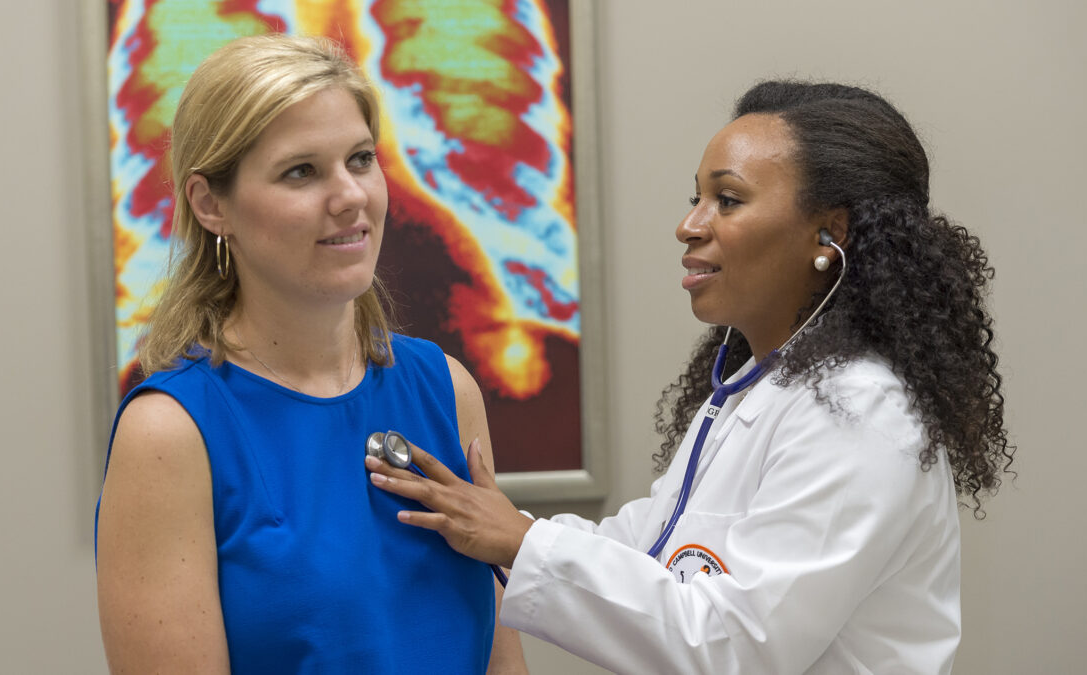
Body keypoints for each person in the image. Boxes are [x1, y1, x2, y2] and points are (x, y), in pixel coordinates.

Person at [365, 80, 1015, 674]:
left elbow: (738, 645)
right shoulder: (751, 392)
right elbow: (651, 547)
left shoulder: (861, 411)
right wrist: (502, 530)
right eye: (696, 198)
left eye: (726, 200)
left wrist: (522, 542)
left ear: (829, 233)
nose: (689, 225)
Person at [94, 34, 525, 673]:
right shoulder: (170, 434)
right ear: (212, 205)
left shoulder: (445, 388)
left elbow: (503, 663)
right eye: (302, 171)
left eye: (360, 159)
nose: (350, 195)